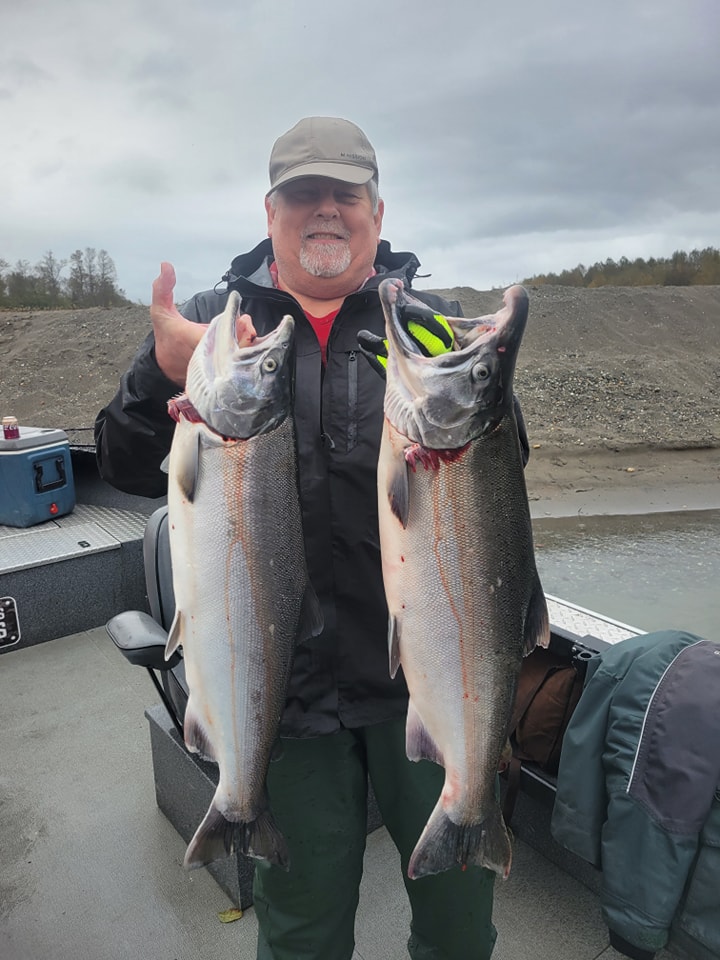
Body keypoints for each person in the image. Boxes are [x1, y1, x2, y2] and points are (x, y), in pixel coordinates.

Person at [95, 116, 529, 960]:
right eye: (304, 194)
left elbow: (496, 485)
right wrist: (159, 375)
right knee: (300, 929)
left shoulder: (430, 332)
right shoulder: (214, 333)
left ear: (376, 208)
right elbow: (119, 460)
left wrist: (496, 397)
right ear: (270, 213)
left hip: (424, 683)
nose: (325, 210)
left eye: (345, 193)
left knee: (458, 924)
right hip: (281, 696)